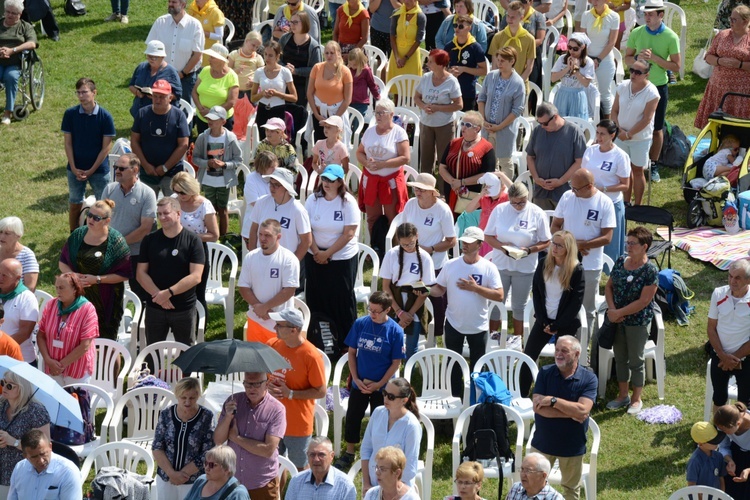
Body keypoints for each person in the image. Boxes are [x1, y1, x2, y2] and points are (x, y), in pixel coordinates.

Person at [334, 291, 405, 471]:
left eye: (376, 311)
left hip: (382, 385)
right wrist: (356, 378)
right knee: (353, 416)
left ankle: (378, 453)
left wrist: (380, 384)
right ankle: (350, 452)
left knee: (380, 419)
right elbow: (351, 352)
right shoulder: (361, 324)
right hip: (360, 382)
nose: (372, 314)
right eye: (370, 309)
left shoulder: (395, 331)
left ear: (387, 310)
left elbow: (396, 362)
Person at [430, 227, 504, 396]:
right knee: (453, 366)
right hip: (454, 323)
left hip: (478, 326)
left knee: (478, 368)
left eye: (470, 242)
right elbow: (439, 289)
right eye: (464, 241)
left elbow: (499, 295)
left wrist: (476, 288)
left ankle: (476, 404)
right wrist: (426, 291)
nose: (465, 245)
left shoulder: (489, 267)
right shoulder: (450, 265)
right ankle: (455, 401)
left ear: (479, 244)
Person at [551, 169, 616, 343]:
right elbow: (555, 225)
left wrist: (583, 245)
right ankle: (562, 343)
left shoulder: (605, 203)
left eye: (577, 189)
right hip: (564, 263)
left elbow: (607, 237)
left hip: (590, 265)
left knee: (587, 308)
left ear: (589, 186)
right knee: (562, 304)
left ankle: (583, 346)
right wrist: (571, 244)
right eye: (572, 187)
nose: (573, 192)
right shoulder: (567, 197)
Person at [531, 335, 597, 500]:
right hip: (542, 443)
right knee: (532, 486)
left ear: (576, 354)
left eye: (564, 351)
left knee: (570, 490)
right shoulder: (545, 372)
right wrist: (572, 412)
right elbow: (538, 409)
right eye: (557, 350)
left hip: (571, 446)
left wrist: (553, 401)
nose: (558, 354)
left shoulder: (589, 379)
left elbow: (583, 410)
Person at [485, 181, 551, 344]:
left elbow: (546, 241)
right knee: (495, 304)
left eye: (521, 202)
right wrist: (502, 247)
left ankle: (517, 342)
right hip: (501, 264)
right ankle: (492, 339)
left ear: (527, 197)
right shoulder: (500, 210)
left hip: (524, 267)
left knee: (518, 306)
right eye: (513, 202)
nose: (517, 206)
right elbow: (488, 236)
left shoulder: (537, 213)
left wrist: (528, 250)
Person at [623, 0, 681, 184]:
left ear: (660, 15)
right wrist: (636, 61)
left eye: (651, 14)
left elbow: (676, 67)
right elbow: (627, 58)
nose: (646, 17)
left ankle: (653, 163)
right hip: (636, 86)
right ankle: (633, 161)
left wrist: (654, 58)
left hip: (658, 86)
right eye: (645, 14)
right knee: (633, 122)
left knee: (657, 128)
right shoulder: (636, 32)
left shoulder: (671, 37)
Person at [520, 230, 583, 397]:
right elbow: (537, 293)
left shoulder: (576, 269)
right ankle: (521, 393)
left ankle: (566, 395)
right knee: (528, 356)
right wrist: (543, 321)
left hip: (565, 323)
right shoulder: (543, 264)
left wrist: (557, 325)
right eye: (553, 243)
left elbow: (575, 303)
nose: (554, 248)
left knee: (566, 362)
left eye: (559, 245)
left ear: (568, 248)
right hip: (543, 321)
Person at [602, 226, 658, 415]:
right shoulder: (620, 261)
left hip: (638, 321)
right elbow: (608, 287)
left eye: (633, 243)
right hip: (617, 317)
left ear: (645, 246)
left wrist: (619, 312)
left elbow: (644, 301)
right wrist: (612, 309)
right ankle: (623, 394)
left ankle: (636, 398)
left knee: (636, 359)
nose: (628, 246)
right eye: (627, 242)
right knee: (620, 358)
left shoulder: (650, 270)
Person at [59, 200, 131, 342]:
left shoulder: (116, 241)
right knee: (77, 339)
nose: (90, 219)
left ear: (107, 221)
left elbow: (124, 274)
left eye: (96, 218)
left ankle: (110, 364)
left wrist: (97, 279)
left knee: (105, 342)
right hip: (78, 296)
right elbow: (62, 262)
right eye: (89, 214)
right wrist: (73, 277)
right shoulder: (78, 235)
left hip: (105, 299)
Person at [305, 164, 360, 348]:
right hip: (315, 255)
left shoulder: (348, 203)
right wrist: (317, 251)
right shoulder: (313, 200)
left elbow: (348, 234)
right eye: (324, 179)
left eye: (331, 180)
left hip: (341, 258)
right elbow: (307, 229)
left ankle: (346, 341)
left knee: (342, 299)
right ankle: (319, 337)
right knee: (317, 295)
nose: (326, 183)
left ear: (340, 182)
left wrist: (327, 253)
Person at [137, 197, 205, 345]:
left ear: (178, 214)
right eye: (159, 214)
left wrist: (168, 293)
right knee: (152, 355)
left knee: (185, 354)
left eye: (166, 213)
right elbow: (140, 273)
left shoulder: (193, 241)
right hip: (155, 307)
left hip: (183, 308)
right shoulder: (149, 240)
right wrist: (159, 296)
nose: (162, 217)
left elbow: (195, 276)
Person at [267, 308, 327, 470]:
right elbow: (262, 374)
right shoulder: (272, 345)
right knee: (274, 465)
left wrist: (291, 393)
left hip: (297, 423)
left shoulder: (311, 356)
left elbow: (321, 391)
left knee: (299, 468)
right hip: (271, 420)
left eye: (279, 325)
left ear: (293, 330)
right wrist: (267, 386)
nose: (275, 328)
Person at [214, 371, 286, 498]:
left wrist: (236, 438)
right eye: (247, 384)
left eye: (256, 384)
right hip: (233, 480)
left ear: (266, 383)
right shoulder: (233, 401)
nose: (251, 388)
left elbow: (268, 450)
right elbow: (218, 440)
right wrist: (227, 418)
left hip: (262, 483)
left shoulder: (276, 410)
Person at [402, 173, 457, 339]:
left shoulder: (442, 210)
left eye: (423, 189)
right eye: (416, 188)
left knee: (437, 301)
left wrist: (430, 249)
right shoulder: (411, 205)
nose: (418, 192)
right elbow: (403, 231)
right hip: (412, 261)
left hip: (435, 263)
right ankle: (410, 333)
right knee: (411, 297)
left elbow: (452, 241)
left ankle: (438, 334)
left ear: (433, 192)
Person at [62, 78, 116, 232]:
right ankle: (73, 235)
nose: (81, 95)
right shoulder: (70, 114)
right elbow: (68, 143)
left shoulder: (105, 117)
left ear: (94, 93)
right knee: (74, 204)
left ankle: (104, 235)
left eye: (84, 92)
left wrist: (91, 170)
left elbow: (106, 148)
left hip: (99, 170)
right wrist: (73, 167)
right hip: (75, 169)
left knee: (104, 206)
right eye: (78, 92)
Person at [101, 154, 157, 302]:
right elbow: (101, 218)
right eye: (115, 167)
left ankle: (141, 324)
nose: (117, 171)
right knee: (109, 296)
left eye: (121, 168)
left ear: (135, 170)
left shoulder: (147, 194)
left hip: (137, 254)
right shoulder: (109, 189)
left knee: (141, 296)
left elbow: (145, 228)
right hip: (111, 253)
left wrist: (119, 243)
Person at [153, 377, 215, 500]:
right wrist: (172, 474)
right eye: (183, 398)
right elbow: (157, 446)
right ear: (177, 395)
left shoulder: (207, 417)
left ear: (198, 395)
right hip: (166, 477)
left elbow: (208, 452)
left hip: (194, 480)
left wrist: (183, 475)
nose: (187, 402)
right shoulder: (166, 414)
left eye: (192, 398)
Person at [381, 223, 436, 358]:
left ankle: (408, 373)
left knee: (412, 348)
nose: (408, 247)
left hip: (415, 302)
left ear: (417, 237)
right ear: (398, 240)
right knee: (389, 344)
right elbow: (386, 286)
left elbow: (426, 289)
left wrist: (409, 314)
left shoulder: (424, 257)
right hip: (394, 300)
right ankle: (391, 374)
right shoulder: (392, 254)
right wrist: (399, 312)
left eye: (411, 243)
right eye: (404, 245)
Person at [239, 219, 299, 343]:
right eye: (260, 234)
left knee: (277, 360)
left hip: (280, 324)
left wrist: (265, 307)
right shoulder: (251, 257)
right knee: (255, 359)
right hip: (255, 319)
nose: (262, 238)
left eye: (267, 235)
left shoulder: (289, 259)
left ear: (279, 236)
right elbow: (243, 287)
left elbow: (289, 290)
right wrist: (258, 307)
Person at [356, 97, 410, 234]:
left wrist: (382, 165)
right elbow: (359, 152)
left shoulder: (398, 132)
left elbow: (405, 157)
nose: (378, 116)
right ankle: (375, 248)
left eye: (382, 113)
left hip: (390, 182)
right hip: (371, 181)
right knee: (372, 217)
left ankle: (394, 248)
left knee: (393, 217)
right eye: (376, 112)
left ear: (391, 114)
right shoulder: (369, 131)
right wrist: (366, 163)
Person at [611, 59, 659, 206]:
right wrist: (619, 130)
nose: (633, 74)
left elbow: (647, 119)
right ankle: (626, 202)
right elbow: (614, 110)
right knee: (624, 170)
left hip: (640, 139)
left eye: (638, 72)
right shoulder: (623, 86)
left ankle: (638, 205)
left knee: (637, 171)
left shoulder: (652, 93)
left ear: (647, 75)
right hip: (621, 136)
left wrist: (629, 134)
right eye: (632, 70)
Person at [130, 79, 191, 198]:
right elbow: (134, 141)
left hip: (172, 172)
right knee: (145, 209)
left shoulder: (179, 116)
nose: (157, 100)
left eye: (162, 97)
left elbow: (183, 145)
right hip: (147, 171)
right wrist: (146, 165)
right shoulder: (142, 113)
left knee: (174, 208)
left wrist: (165, 167)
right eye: (155, 96)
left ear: (170, 97)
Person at [360, 378, 422, 493]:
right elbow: (366, 450)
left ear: (404, 400)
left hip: (398, 488)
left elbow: (410, 468)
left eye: (391, 397)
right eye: (384, 393)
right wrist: (366, 483)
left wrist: (389, 491)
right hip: (372, 485)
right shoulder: (378, 412)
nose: (385, 398)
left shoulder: (411, 426)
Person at [37, 273, 98, 386]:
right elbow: (41, 335)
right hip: (51, 366)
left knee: (75, 401)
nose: (58, 291)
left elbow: (85, 345)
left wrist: (61, 365)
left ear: (75, 289)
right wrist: (48, 360)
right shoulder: (51, 305)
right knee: (53, 402)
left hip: (76, 369)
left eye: (62, 288)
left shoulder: (87, 309)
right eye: (56, 287)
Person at [582, 119, 631, 261]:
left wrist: (603, 189)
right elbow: (583, 172)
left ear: (612, 135)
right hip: (591, 203)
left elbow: (625, 185)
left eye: (602, 134)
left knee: (612, 246)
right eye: (597, 133)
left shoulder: (620, 156)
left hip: (611, 203)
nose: (599, 137)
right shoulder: (590, 150)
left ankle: (612, 277)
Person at [193, 105, 244, 237]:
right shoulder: (202, 137)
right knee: (210, 210)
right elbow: (195, 158)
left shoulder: (231, 138)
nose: (210, 121)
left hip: (223, 181)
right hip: (208, 181)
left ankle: (223, 237)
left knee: (222, 209)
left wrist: (224, 164)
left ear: (223, 121)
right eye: (209, 118)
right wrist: (207, 163)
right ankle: (212, 236)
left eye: (214, 119)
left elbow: (238, 160)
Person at [171, 171, 219, 313]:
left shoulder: (205, 205)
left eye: (182, 192)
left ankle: (199, 329)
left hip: (196, 251)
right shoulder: (173, 200)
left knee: (198, 294)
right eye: (176, 191)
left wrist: (190, 237)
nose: (179, 196)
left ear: (191, 189)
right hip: (175, 250)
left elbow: (214, 235)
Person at [706, 259, 750, 413]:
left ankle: (742, 435)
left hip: (746, 357)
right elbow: (711, 328)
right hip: (720, 354)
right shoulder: (718, 293)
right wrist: (722, 355)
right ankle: (718, 430)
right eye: (730, 276)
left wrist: (734, 358)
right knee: (719, 396)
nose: (732, 281)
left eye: (737, 277)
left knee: (745, 401)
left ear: (748, 280)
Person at [696, 5, 750, 129]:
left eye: (734, 20)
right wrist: (719, 61)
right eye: (730, 18)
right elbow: (708, 56)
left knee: (738, 128)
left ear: (745, 21)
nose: (730, 22)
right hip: (718, 88)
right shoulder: (722, 35)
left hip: (741, 92)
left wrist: (740, 65)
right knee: (716, 127)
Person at [526, 102, 587, 210]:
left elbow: (580, 162)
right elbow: (530, 156)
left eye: (545, 123)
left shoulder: (574, 132)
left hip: (564, 191)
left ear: (555, 117)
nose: (542, 126)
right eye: (539, 123)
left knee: (563, 225)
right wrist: (536, 178)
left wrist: (561, 181)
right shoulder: (537, 131)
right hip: (541, 191)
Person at [478, 46, 526, 179]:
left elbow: (517, 110)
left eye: (502, 61)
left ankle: (506, 192)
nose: (499, 63)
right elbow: (481, 98)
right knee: (489, 160)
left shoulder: (518, 83)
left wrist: (499, 127)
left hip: (505, 130)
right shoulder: (491, 76)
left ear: (512, 61)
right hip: (487, 127)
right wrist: (484, 120)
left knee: (505, 161)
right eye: (498, 60)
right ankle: (491, 190)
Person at [243, 168, 312, 260]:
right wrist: (253, 258)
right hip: (262, 260)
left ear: (286, 187)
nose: (271, 187)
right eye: (271, 183)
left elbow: (306, 241)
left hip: (285, 262)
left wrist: (292, 263)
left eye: (276, 185)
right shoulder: (261, 202)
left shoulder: (298, 210)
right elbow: (253, 230)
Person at [0, 373, 50, 498]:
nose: (4, 388)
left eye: (9, 386)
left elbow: (43, 449)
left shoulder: (36, 411)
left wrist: (14, 441)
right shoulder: (1, 404)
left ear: (21, 388)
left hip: (25, 473)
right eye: (2, 383)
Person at [146, 0, 205, 105]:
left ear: (183, 4)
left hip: (186, 78)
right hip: (162, 75)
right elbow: (151, 49)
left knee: (185, 112)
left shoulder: (195, 26)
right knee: (159, 109)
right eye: (169, 2)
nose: (170, 4)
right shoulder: (160, 22)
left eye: (173, 2)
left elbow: (197, 55)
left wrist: (182, 74)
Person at [415, 49, 463, 175]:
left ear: (441, 65)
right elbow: (416, 97)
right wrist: (424, 106)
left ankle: (443, 190)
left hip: (444, 125)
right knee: (426, 158)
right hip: (426, 123)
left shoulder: (451, 82)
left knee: (444, 159)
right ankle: (425, 187)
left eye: (431, 62)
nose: (427, 64)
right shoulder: (426, 78)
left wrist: (438, 108)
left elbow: (459, 105)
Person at [438, 111, 496, 215]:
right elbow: (442, 167)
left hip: (472, 195)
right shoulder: (453, 143)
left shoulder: (486, 147)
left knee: (467, 223)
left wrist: (462, 182)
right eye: (462, 124)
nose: (463, 128)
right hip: (452, 190)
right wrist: (453, 183)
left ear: (477, 129)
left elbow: (487, 175)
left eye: (468, 125)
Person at [7, 430, 81, 500]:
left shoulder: (68, 472)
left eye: (43, 454)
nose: (41, 461)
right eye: (34, 457)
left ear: (50, 447)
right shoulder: (19, 468)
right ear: (25, 456)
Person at [307, 41, 353, 144]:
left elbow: (347, 99)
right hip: (319, 115)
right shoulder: (317, 68)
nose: (329, 56)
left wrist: (334, 119)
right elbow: (309, 93)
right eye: (326, 53)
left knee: (335, 148)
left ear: (338, 54)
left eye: (332, 53)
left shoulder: (345, 71)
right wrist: (316, 114)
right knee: (320, 147)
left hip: (337, 114)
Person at [0, 0, 37, 126]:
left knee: (10, 77)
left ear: (20, 14)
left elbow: (32, 43)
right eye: (7, 12)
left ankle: (8, 112)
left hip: (15, 63)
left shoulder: (25, 27)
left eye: (13, 13)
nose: (9, 15)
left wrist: (12, 50)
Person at [251, 42, 297, 141]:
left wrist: (277, 94)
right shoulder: (259, 72)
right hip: (262, 110)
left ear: (277, 56)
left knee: (277, 141)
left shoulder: (285, 72)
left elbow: (294, 97)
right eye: (265, 54)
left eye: (271, 55)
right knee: (262, 141)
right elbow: (253, 97)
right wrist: (262, 93)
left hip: (278, 110)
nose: (267, 58)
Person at [284, 436, 357, 499]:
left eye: (321, 455)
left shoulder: (345, 485)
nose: (316, 459)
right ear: (307, 456)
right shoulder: (296, 481)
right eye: (312, 454)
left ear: (331, 456)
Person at [498, 0, 546, 94]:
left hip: (531, 54)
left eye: (525, 1)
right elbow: (501, 33)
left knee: (531, 88)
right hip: (508, 54)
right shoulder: (510, 15)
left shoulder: (538, 16)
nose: (522, 4)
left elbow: (540, 39)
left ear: (531, 2)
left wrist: (523, 46)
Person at [582, 0, 619, 120]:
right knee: (587, 92)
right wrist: (587, 59)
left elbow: (611, 42)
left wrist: (598, 59)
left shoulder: (614, 16)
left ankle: (607, 123)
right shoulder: (586, 15)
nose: (594, 2)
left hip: (605, 60)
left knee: (605, 93)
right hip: (587, 59)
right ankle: (590, 121)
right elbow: (583, 39)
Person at [129, 40, 183, 119]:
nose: (151, 59)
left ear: (162, 57)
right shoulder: (141, 67)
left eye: (154, 57)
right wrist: (138, 92)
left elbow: (177, 95)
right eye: (148, 56)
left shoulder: (171, 72)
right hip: (139, 113)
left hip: (161, 115)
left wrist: (157, 96)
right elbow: (131, 85)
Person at [279, 11, 322, 109]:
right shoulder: (284, 39)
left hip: (302, 87)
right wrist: (284, 67)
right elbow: (276, 58)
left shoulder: (313, 46)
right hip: (282, 84)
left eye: (295, 22)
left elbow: (316, 69)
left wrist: (296, 71)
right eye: (291, 22)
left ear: (304, 23)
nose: (292, 25)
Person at [193, 44, 239, 135]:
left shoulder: (232, 76)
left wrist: (211, 113)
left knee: (221, 148)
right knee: (204, 146)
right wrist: (201, 109)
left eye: (212, 57)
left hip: (221, 122)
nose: (209, 59)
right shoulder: (205, 70)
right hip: (202, 118)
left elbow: (231, 102)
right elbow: (194, 92)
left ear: (222, 60)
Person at [445, 14, 487, 112]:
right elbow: (441, 67)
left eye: (461, 26)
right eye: (455, 26)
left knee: (467, 122)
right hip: (449, 91)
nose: (457, 29)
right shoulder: (449, 46)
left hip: (467, 91)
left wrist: (463, 69)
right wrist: (449, 72)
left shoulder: (475, 47)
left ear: (469, 28)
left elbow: (483, 71)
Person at [488, 1, 536, 85]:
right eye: (508, 16)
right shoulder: (498, 37)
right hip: (500, 83)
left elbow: (529, 67)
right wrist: (499, 82)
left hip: (520, 84)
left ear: (521, 18)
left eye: (513, 17)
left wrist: (517, 84)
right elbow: (495, 64)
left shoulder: (529, 39)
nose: (509, 19)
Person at [550, 33, 596, 120]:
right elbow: (553, 78)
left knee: (577, 122)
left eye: (575, 49)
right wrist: (567, 68)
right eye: (569, 47)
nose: (571, 51)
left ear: (582, 48)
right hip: (562, 95)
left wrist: (575, 70)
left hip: (577, 95)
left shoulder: (588, 62)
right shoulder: (562, 59)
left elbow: (586, 84)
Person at [465, 172, 511, 258]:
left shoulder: (506, 198)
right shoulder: (484, 198)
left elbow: (516, 191)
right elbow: (468, 210)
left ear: (502, 188)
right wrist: (480, 195)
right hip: (483, 237)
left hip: (497, 238)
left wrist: (502, 175)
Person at [0, 258, 37, 364]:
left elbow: (24, 333)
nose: (0, 278)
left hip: (20, 360)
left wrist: (3, 348)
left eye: (4, 275)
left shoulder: (27, 298)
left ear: (17, 278)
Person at [184, 445, 250, 500]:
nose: (207, 468)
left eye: (212, 465)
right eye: (206, 463)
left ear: (226, 469)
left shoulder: (238, 494)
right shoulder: (200, 481)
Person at [714, 403, 750, 498]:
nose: (723, 432)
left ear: (738, 424)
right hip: (736, 451)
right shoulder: (725, 423)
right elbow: (723, 446)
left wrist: (748, 470)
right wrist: (729, 460)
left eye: (725, 431)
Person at [387, 0, 426, 81]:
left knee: (411, 88)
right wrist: (397, 57)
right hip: (396, 54)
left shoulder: (420, 16)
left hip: (412, 56)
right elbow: (392, 36)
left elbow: (418, 40)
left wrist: (405, 58)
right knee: (396, 87)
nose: (406, 1)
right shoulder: (397, 13)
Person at [686, 421, 726, 490]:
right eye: (713, 441)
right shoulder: (694, 462)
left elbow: (721, 478)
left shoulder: (719, 456)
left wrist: (722, 495)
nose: (717, 443)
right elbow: (692, 485)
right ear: (700, 444)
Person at [0, 217, 38, 290]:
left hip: (17, 299)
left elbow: (30, 288)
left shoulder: (27, 255)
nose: (2, 237)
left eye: (7, 233)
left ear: (18, 236)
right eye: (0, 232)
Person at [187, 0, 225, 67]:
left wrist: (202, 33)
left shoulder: (215, 12)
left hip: (209, 50)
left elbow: (219, 36)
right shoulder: (192, 9)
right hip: (193, 49)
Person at [229, 32, 265, 100]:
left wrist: (255, 81)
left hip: (251, 91)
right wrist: (235, 71)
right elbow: (226, 72)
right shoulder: (234, 54)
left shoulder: (258, 58)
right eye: (253, 45)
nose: (254, 48)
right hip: (235, 89)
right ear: (246, 41)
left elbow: (263, 74)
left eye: (257, 47)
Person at [347, 47, 380, 119]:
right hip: (349, 102)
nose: (352, 66)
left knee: (356, 119)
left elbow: (372, 85)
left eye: (354, 65)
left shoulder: (366, 70)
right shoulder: (348, 69)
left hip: (361, 103)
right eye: (350, 64)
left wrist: (378, 97)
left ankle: (357, 130)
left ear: (360, 62)